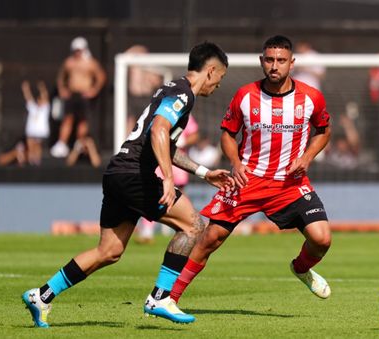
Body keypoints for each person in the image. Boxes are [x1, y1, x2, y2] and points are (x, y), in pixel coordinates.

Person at [21, 41, 234, 327]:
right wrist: (168, 179)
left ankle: (42, 295)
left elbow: (164, 143)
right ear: (210, 71)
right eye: (219, 79)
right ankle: (160, 297)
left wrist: (203, 172)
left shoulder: (170, 90)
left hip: (117, 173)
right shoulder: (183, 93)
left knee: (108, 251)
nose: (217, 86)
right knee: (193, 225)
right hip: (135, 173)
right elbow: (158, 130)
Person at [166, 36, 333, 321]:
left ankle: (301, 268)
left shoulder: (311, 97)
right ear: (261, 61)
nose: (274, 66)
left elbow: (324, 130)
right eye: (269, 60)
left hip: (289, 184)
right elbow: (228, 134)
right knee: (209, 239)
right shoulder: (245, 95)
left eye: (281, 60)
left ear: (292, 63)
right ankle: (168, 299)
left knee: (322, 240)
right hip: (248, 181)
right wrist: (235, 162)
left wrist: (306, 158)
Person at [135, 114, 199, 244]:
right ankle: (147, 230)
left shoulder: (185, 115)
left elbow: (195, 134)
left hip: (178, 161)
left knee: (180, 194)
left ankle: (182, 226)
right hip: (160, 160)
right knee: (154, 193)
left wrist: (184, 141)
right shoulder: (158, 114)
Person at [50, 37, 106, 158]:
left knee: (83, 120)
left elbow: (101, 76)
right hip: (71, 95)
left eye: (80, 50)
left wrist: (94, 90)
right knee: (67, 119)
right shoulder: (69, 62)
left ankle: (79, 143)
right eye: (76, 50)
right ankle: (61, 144)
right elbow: (61, 77)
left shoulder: (91, 63)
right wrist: (62, 90)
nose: (78, 52)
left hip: (84, 96)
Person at [21, 80, 50, 166]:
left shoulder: (45, 109)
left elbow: (45, 97)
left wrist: (42, 88)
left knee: (37, 147)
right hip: (31, 131)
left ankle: (37, 163)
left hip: (40, 132)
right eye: (39, 100)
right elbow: (28, 98)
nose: (41, 101)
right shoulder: (33, 108)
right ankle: (30, 162)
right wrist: (26, 89)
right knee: (30, 147)